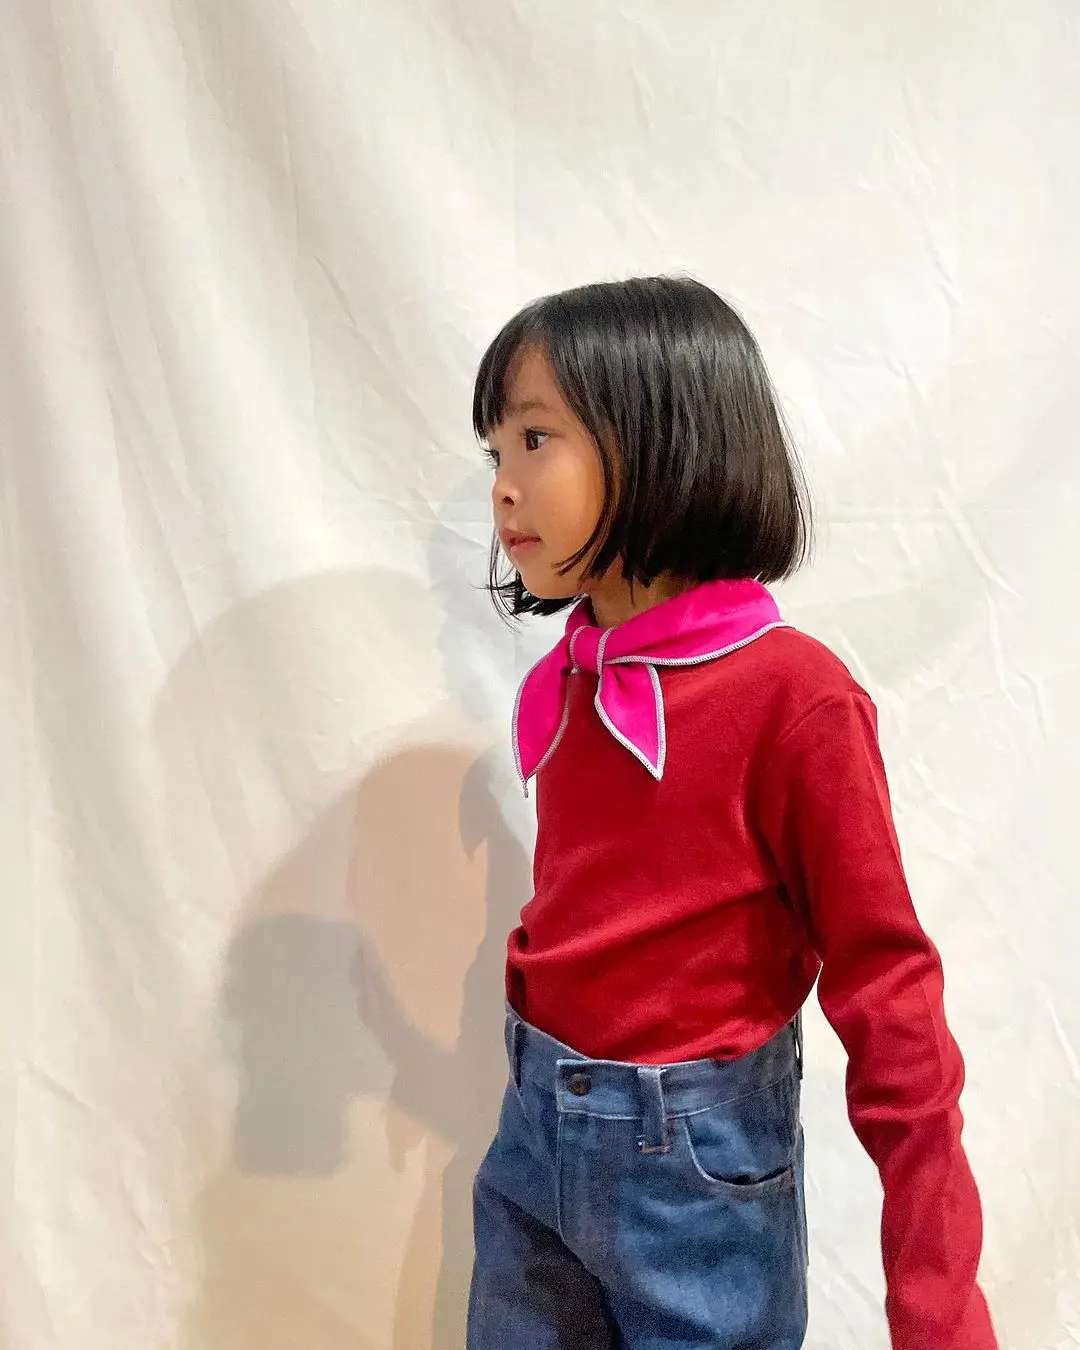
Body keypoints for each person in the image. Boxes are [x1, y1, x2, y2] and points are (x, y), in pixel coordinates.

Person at [464, 275, 997, 1350]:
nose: (505, 488)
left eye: (535, 439)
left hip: (694, 1189)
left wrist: (938, 1307)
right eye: (495, 453)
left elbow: (888, 989)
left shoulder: (793, 698)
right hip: (530, 1142)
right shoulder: (573, 683)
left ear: (661, 439)